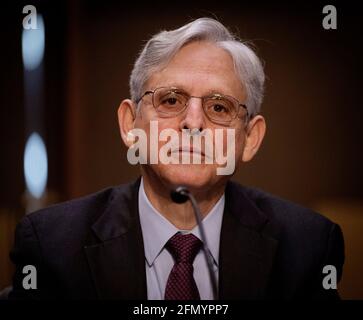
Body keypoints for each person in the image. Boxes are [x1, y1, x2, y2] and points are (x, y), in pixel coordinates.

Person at [9, 17, 344, 300]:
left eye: (218, 107)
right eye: (170, 100)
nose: (194, 122)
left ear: (250, 138)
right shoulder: (50, 246)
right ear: (130, 124)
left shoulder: (308, 248)